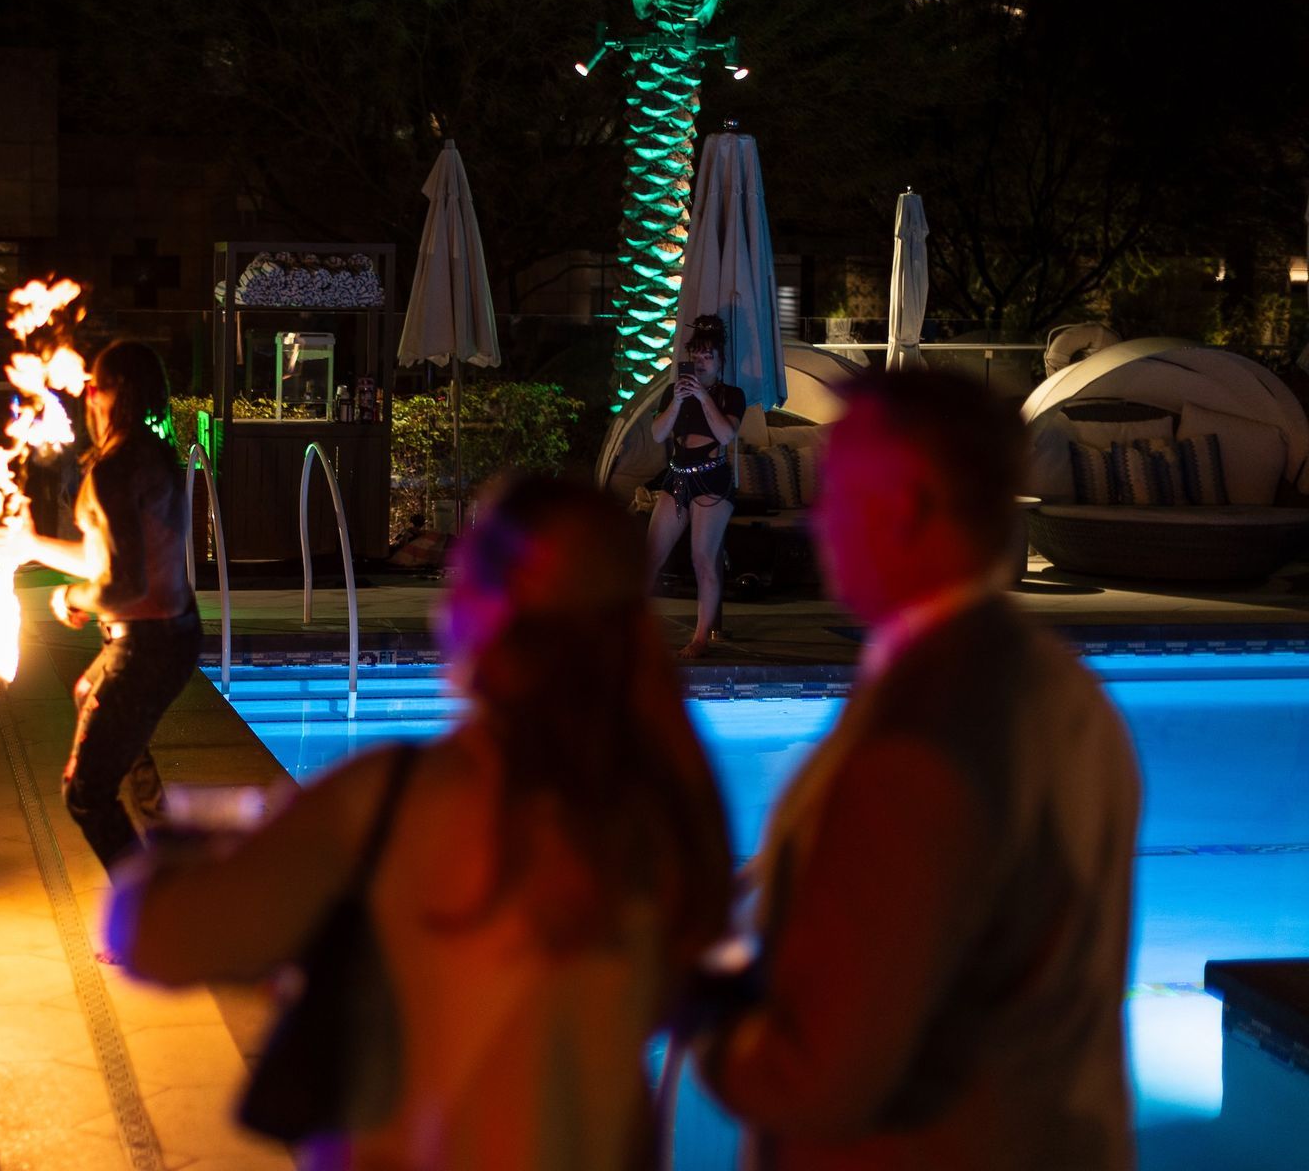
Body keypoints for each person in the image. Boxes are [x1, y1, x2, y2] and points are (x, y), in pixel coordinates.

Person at [107, 476, 734, 1170]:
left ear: (481, 609)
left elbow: (151, 936)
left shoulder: (398, 800)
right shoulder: (667, 815)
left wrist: (223, 846)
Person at [696, 371, 1141, 1169]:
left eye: (838, 490)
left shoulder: (919, 746)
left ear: (904, 506)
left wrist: (698, 1004)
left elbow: (817, 1080)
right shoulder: (1065, 689)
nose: (817, 518)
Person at [15, 340, 198, 870]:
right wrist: (32, 545)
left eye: (94, 387)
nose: (87, 398)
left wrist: (69, 596)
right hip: (172, 636)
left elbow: (122, 585)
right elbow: (109, 560)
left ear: (115, 394)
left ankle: (148, 907)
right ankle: (169, 856)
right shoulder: (155, 456)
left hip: (145, 647)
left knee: (85, 794)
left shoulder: (116, 470)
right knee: (89, 694)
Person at [644, 314, 745, 659]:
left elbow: (726, 435)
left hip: (712, 479)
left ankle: (701, 638)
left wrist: (703, 396)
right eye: (696, 355)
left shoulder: (731, 395)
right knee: (650, 557)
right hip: (677, 477)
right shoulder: (674, 393)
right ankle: (636, 631)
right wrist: (677, 400)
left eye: (708, 356)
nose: (701, 362)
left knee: (702, 558)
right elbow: (658, 434)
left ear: (720, 361)